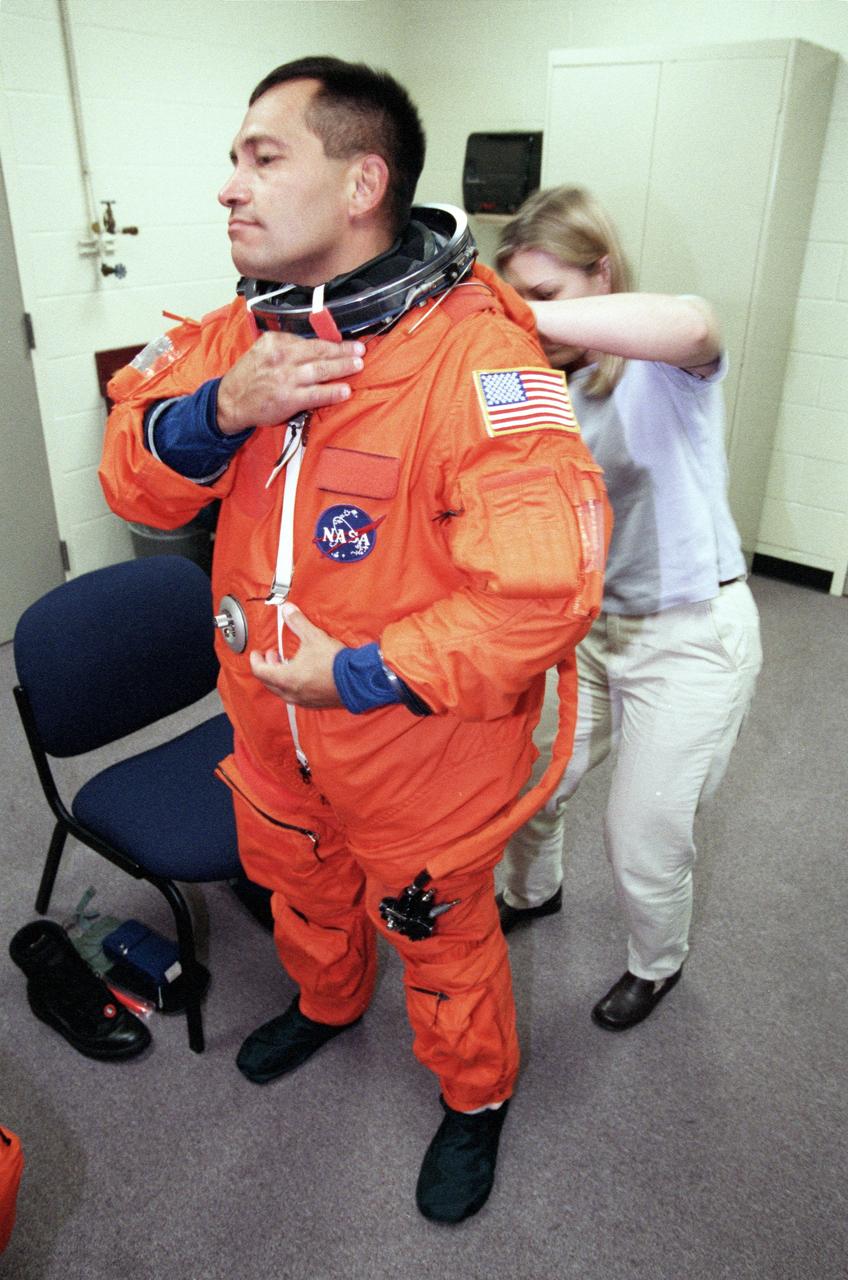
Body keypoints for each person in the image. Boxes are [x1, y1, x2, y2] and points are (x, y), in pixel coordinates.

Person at [99, 62, 610, 1222]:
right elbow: (132, 476)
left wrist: (358, 671)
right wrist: (219, 410)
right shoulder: (240, 332)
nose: (228, 185)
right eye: (235, 158)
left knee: (439, 941)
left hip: (416, 747)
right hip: (271, 728)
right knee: (299, 890)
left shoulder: (478, 359)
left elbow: (539, 593)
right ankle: (327, 1002)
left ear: (362, 180)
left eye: (262, 157)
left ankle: (475, 1096)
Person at [494, 186, 763, 1031]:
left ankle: (658, 963)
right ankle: (531, 895)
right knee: (535, 788)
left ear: (600, 276)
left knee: (641, 835)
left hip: (689, 637)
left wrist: (553, 327)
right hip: (591, 633)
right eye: (518, 302)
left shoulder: (664, 368)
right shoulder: (542, 384)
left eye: (548, 296)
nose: (532, 322)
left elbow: (693, 325)